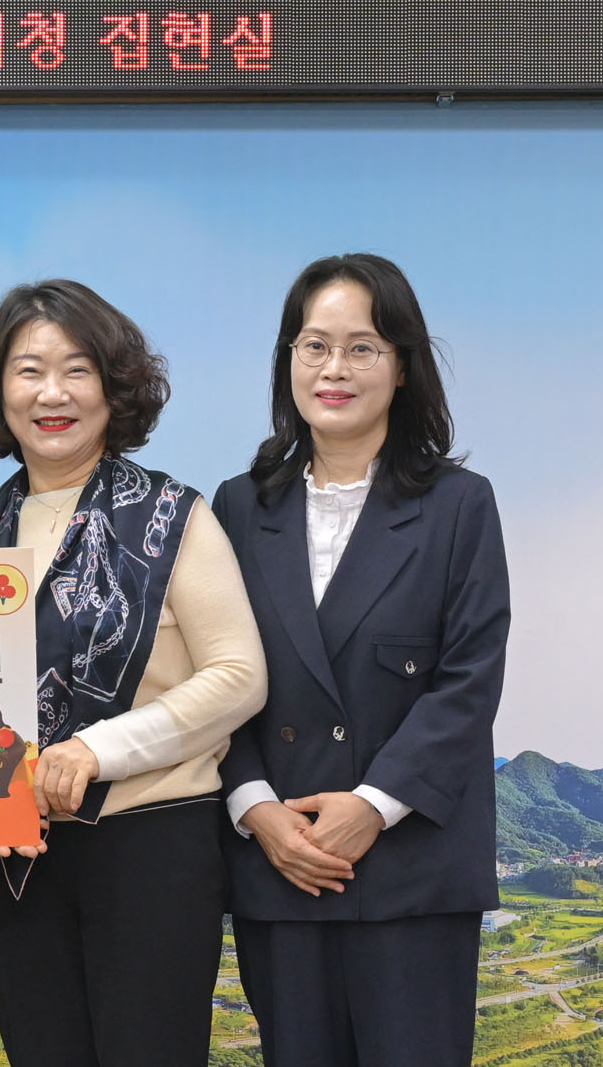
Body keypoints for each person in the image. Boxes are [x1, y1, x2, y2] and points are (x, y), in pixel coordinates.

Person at [0, 279, 267, 1067]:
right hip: (18, 856)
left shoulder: (173, 516)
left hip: (152, 844)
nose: (52, 393)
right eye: (28, 371)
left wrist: (96, 750)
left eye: (77, 370)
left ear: (114, 387)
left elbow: (239, 675)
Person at [213, 253, 509, 1067]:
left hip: (411, 868)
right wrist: (255, 808)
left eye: (362, 348)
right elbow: (211, 676)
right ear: (288, 360)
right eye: (314, 346)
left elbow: (469, 681)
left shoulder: (459, 505)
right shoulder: (238, 505)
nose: (333, 369)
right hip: (282, 862)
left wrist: (373, 805)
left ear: (403, 365)